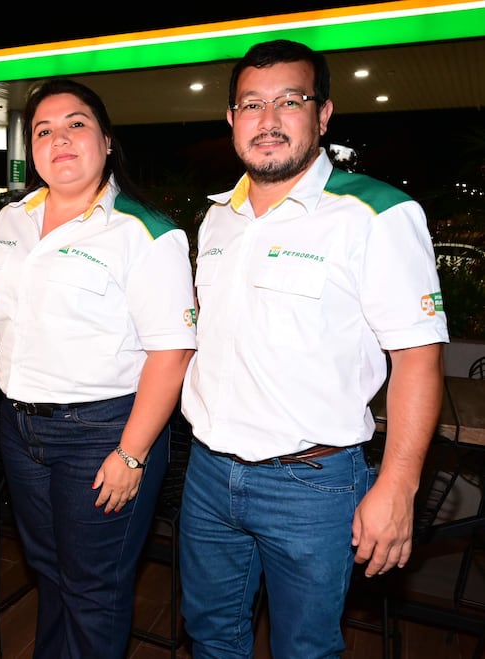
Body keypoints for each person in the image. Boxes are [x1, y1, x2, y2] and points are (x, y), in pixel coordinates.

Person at [178, 39, 450, 658]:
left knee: (306, 649)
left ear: (323, 114)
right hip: (207, 474)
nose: (268, 121)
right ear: (231, 120)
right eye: (251, 104)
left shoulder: (376, 212)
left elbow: (419, 356)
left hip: (312, 485)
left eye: (289, 101)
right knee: (211, 637)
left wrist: (399, 485)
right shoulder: (217, 218)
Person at [0, 78, 197, 658]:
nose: (58, 139)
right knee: (50, 573)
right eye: (44, 129)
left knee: (94, 588)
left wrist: (132, 453)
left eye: (76, 124)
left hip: (104, 434)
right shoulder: (9, 223)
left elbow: (173, 352)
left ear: (107, 141)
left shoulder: (144, 232)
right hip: (21, 430)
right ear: (31, 146)